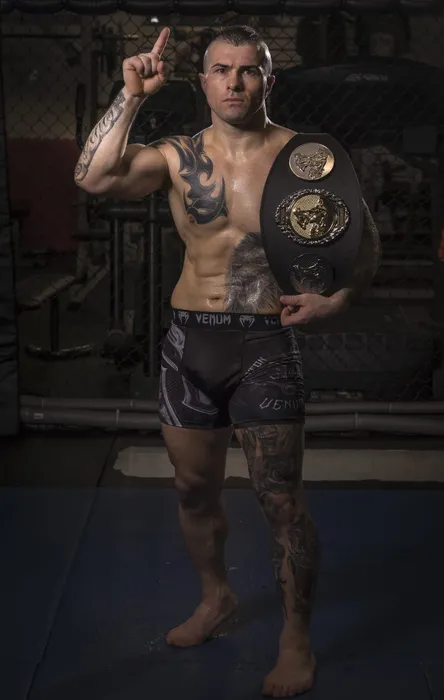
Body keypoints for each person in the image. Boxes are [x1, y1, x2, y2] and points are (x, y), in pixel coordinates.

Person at [75, 25, 381, 698]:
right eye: (221, 69)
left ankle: (295, 640)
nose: (234, 82)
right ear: (203, 80)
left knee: (281, 500)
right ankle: (216, 598)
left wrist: (338, 299)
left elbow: (364, 242)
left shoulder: (305, 160)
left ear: (268, 79)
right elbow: (93, 177)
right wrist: (130, 96)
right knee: (192, 490)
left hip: (265, 344)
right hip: (191, 342)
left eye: (248, 70)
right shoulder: (178, 155)